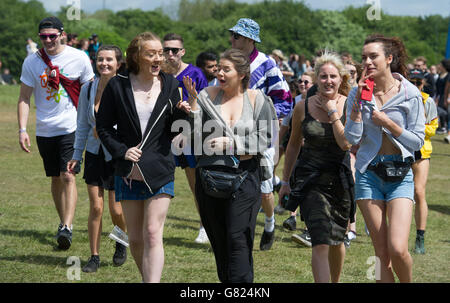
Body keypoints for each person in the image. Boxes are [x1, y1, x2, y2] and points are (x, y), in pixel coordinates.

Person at [96, 32, 189, 283]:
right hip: (128, 170)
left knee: (151, 232)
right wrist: (121, 150)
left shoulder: (170, 84)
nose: (158, 58)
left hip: (160, 166)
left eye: (160, 53)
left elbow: (173, 129)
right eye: (152, 54)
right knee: (135, 238)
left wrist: (184, 115)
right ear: (137, 56)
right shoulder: (118, 84)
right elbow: (103, 127)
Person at [183, 48, 277, 283]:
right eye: (218, 69)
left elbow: (266, 137)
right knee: (219, 241)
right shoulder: (206, 95)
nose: (220, 73)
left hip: (246, 176)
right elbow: (194, 138)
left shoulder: (258, 99)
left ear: (242, 73)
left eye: (226, 69)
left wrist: (232, 143)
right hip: (210, 177)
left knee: (238, 237)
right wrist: (194, 107)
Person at [344, 34, 425, 283]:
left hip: (400, 175)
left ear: (389, 58)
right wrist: (357, 103)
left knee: (398, 248)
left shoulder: (410, 94)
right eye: (363, 57)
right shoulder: (357, 94)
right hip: (368, 175)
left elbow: (417, 142)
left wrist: (388, 123)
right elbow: (351, 137)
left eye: (373, 56)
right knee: (381, 254)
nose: (367, 61)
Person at [18, 16, 94, 250]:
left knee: (68, 176)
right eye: (43, 37)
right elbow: (24, 97)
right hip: (44, 129)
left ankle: (67, 227)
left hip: (72, 127)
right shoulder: (32, 62)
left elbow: (91, 90)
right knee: (55, 178)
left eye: (53, 35)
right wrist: (22, 129)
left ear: (62, 33)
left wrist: (94, 122)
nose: (48, 40)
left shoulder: (79, 57)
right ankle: (63, 222)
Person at [278, 51, 354, 283]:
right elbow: (292, 146)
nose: (328, 81)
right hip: (310, 180)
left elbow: (346, 143)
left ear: (341, 79)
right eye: (323, 76)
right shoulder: (302, 107)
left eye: (333, 76)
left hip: (340, 181)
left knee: (336, 241)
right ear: (316, 78)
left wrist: (332, 111)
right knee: (320, 239)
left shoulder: (350, 105)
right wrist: (285, 181)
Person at [228, 17, 292, 251]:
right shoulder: (228, 61)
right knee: (233, 182)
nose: (231, 39)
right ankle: (238, 231)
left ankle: (269, 223)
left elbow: (284, 98)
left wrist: (265, 116)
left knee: (265, 188)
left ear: (248, 39)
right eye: (232, 35)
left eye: (235, 36)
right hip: (231, 135)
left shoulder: (267, 64)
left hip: (261, 135)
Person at [67, 45, 128, 272]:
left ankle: (121, 242)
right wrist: (76, 155)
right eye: (100, 59)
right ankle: (94, 256)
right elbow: (82, 124)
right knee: (96, 207)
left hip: (116, 155)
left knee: (117, 210)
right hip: (93, 154)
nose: (104, 63)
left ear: (118, 64)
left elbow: (129, 124)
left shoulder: (124, 88)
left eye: (109, 60)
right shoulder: (88, 88)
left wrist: (105, 131)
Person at [162, 33, 209, 244]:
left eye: (174, 50)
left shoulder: (195, 74)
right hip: (164, 135)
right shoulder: (159, 73)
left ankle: (205, 226)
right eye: (166, 50)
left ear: (182, 51)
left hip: (190, 136)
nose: (170, 54)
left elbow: (206, 106)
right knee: (160, 183)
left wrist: (191, 102)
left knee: (196, 184)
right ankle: (153, 226)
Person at [409, 68, 438, 254]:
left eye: (418, 82)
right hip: (401, 150)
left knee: (419, 192)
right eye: (411, 81)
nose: (415, 85)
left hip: (421, 152)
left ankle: (420, 236)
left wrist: (418, 128)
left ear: (423, 83)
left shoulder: (429, 102)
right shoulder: (401, 97)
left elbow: (433, 128)